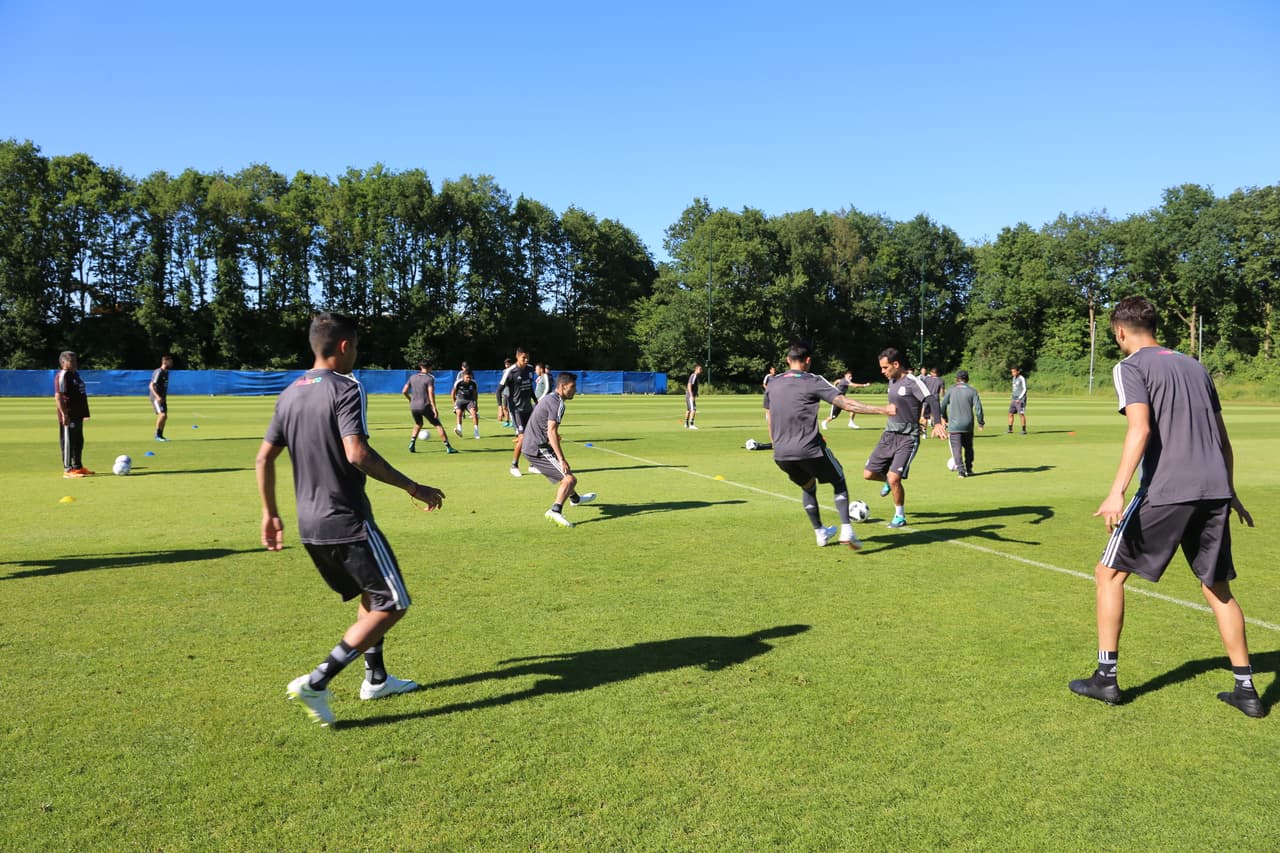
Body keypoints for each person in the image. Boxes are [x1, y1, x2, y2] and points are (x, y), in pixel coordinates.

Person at [1069, 296, 1262, 718]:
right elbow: (1223, 439)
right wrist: (1230, 490)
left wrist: (1116, 490)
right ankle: (1247, 689)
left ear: (1120, 331)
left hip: (1168, 488)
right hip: (1213, 489)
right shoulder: (1195, 365)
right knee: (1218, 588)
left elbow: (1140, 429)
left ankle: (1105, 679)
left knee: (1108, 574)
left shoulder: (1131, 366)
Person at [256, 313, 445, 726]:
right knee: (393, 604)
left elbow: (264, 457)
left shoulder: (288, 394)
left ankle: (375, 678)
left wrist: (270, 512)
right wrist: (415, 488)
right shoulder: (346, 387)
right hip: (346, 519)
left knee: (370, 596)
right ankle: (317, 681)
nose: (356, 354)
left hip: (309, 525)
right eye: (355, 347)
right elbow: (355, 452)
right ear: (344, 347)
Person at [769, 343, 896, 548]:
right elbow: (845, 403)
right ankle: (847, 530)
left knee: (808, 487)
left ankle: (820, 533)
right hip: (810, 449)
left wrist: (777, 443)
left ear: (787, 360)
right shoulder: (813, 380)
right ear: (808, 360)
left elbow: (769, 416)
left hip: (781, 453)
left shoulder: (773, 383)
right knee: (839, 480)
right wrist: (882, 410)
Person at [863, 348, 947, 528]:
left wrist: (938, 423)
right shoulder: (891, 381)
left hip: (908, 438)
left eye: (885, 367)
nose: (882, 371)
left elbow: (931, 400)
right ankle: (887, 481)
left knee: (894, 479)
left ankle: (899, 516)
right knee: (868, 474)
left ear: (896, 364)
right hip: (888, 434)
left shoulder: (912, 382)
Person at [522, 372, 596, 528]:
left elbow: (543, 424)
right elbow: (551, 431)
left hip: (533, 444)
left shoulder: (549, 398)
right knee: (569, 479)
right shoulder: (558, 404)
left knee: (566, 476)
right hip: (538, 448)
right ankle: (555, 510)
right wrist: (562, 459)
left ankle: (575, 499)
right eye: (573, 387)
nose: (575, 390)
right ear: (563, 386)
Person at [402, 362, 456, 454]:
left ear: (420, 367)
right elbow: (431, 393)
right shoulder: (429, 378)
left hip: (414, 406)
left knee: (418, 424)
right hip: (425, 405)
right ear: (430, 368)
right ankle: (448, 447)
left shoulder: (412, 377)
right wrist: (434, 407)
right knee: (438, 425)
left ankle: (412, 442)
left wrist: (410, 399)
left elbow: (404, 391)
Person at [499, 348, 538, 477]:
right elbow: (499, 390)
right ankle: (514, 466)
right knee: (522, 438)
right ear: (517, 358)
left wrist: (536, 401)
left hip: (528, 408)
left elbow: (530, 387)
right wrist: (500, 407)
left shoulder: (530, 369)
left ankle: (532, 465)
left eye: (527, 358)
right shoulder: (510, 371)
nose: (526, 360)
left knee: (533, 436)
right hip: (516, 410)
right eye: (523, 358)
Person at [55, 350, 93, 477]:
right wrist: (64, 414)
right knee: (68, 441)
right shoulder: (63, 375)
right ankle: (68, 469)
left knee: (78, 441)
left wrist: (84, 412)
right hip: (69, 414)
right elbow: (58, 396)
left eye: (75, 360)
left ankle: (78, 466)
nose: (75, 363)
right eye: (72, 361)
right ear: (63, 362)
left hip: (78, 414)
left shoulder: (75, 374)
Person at [939, 370, 984, 477]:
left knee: (956, 448)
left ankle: (961, 471)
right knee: (968, 447)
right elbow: (978, 408)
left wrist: (944, 417)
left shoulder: (951, 390)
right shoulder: (972, 391)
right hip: (968, 424)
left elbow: (943, 405)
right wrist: (980, 422)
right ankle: (969, 468)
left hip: (954, 425)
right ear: (967, 379)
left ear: (956, 379)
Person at [149, 354, 174, 441]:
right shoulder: (159, 372)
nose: (171, 363)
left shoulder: (166, 373)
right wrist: (157, 397)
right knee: (162, 415)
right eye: (170, 361)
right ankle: (157, 435)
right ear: (164, 362)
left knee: (165, 416)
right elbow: (151, 385)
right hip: (156, 397)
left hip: (162, 398)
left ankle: (161, 435)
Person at [451, 368, 481, 439]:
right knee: (459, 413)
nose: (469, 379)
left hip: (469, 401)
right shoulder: (458, 382)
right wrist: (454, 403)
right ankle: (459, 430)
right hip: (460, 400)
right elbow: (452, 393)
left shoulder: (473, 383)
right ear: (463, 376)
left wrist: (476, 404)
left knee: (474, 413)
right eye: (467, 377)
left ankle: (476, 432)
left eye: (470, 377)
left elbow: (475, 393)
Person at [1007, 366, 1028, 434]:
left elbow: (1024, 389)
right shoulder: (1013, 378)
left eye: (1014, 372)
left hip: (1020, 400)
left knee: (1021, 414)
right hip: (1014, 399)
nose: (1012, 373)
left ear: (1018, 371)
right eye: (1012, 372)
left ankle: (1023, 430)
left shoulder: (1022, 378)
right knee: (1010, 413)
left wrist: (1019, 398)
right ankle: (1010, 429)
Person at [684, 364, 703, 429]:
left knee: (688, 410)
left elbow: (693, 386)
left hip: (688, 395)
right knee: (693, 409)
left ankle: (686, 424)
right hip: (690, 395)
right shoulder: (694, 375)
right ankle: (691, 425)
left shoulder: (695, 376)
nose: (701, 370)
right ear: (696, 369)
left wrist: (696, 393)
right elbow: (689, 385)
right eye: (700, 369)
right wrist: (692, 395)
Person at [497, 357, 513, 428]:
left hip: (511, 392)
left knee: (511, 408)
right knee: (504, 407)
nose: (506, 365)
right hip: (505, 392)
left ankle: (513, 421)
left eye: (508, 364)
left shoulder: (513, 371)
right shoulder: (504, 371)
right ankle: (507, 421)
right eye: (505, 364)